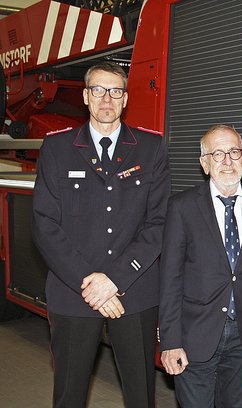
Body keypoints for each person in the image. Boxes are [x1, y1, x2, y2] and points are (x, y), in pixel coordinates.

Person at [32, 61, 170, 408]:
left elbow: (159, 223)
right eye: (98, 90)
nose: (106, 98)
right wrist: (90, 282)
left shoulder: (150, 148)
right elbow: (45, 224)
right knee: (69, 394)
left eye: (115, 91)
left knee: (141, 396)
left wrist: (115, 279)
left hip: (134, 293)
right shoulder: (58, 148)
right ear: (85, 97)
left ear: (125, 99)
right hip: (72, 292)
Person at [158, 124, 242, 407]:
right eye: (218, 155)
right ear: (205, 163)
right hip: (195, 337)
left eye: (234, 152)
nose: (228, 161)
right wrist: (170, 341)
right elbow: (170, 278)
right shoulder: (182, 207)